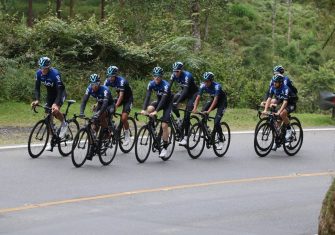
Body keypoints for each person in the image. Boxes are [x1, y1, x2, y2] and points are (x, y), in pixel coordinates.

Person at [31, 56, 68, 150]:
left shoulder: (55, 74)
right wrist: (37, 100)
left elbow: (60, 89)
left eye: (44, 68)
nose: (42, 70)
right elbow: (37, 88)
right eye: (41, 67)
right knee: (48, 118)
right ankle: (52, 139)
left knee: (55, 111)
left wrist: (56, 104)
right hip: (50, 95)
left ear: (48, 67)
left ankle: (64, 123)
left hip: (60, 93)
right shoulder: (38, 73)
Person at [141, 67, 173, 158]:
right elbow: (147, 97)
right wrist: (144, 109)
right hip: (159, 102)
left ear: (161, 77)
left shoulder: (166, 85)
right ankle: (153, 124)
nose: (156, 78)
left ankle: (165, 147)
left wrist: (156, 111)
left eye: (158, 76)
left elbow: (163, 100)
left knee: (164, 125)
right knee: (149, 109)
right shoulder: (151, 84)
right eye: (155, 76)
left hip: (167, 103)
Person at [192, 72, 227, 150]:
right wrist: (194, 108)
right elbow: (198, 97)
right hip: (213, 100)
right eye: (204, 81)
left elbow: (216, 100)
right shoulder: (203, 85)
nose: (205, 82)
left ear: (211, 81)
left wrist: (209, 111)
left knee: (216, 122)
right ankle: (207, 128)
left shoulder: (217, 86)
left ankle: (221, 140)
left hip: (222, 102)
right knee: (202, 111)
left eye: (207, 81)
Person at [262, 74, 297, 149]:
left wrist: (279, 112)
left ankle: (289, 130)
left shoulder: (285, 88)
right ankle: (277, 141)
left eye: (276, 82)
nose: (274, 83)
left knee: (282, 114)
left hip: (291, 103)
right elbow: (269, 99)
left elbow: (285, 103)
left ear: (280, 82)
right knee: (276, 124)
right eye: (274, 82)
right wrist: (265, 110)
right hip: (282, 101)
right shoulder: (273, 87)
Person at [169, 61, 199, 146]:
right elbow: (168, 88)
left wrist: (177, 103)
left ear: (181, 70)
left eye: (177, 71)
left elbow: (185, 92)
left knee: (187, 114)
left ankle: (185, 137)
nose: (176, 73)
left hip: (193, 94)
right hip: (183, 92)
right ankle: (178, 119)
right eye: (174, 71)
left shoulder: (187, 76)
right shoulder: (173, 75)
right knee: (172, 102)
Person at [104, 65, 133, 146]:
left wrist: (115, 106)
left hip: (127, 99)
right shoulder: (107, 81)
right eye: (109, 76)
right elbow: (104, 93)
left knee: (124, 118)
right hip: (119, 97)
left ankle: (127, 135)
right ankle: (111, 126)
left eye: (112, 76)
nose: (110, 78)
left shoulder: (121, 81)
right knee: (106, 111)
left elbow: (121, 96)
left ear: (116, 75)